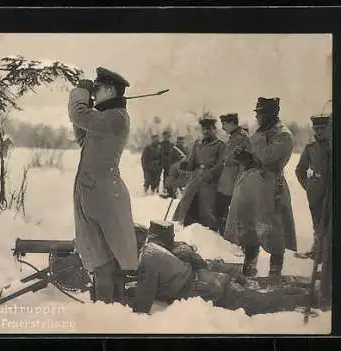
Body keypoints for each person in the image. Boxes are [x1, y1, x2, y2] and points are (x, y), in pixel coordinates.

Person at [131, 220, 313, 316]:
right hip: (210, 280)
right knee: (262, 294)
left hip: (209, 288)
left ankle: (312, 297)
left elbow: (143, 301)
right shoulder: (154, 251)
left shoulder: (149, 257)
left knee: (262, 302)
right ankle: (305, 289)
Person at [68, 67, 138, 304]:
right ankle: (107, 307)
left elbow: (79, 115)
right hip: (93, 193)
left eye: (96, 90)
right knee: (99, 256)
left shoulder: (116, 116)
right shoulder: (104, 118)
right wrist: (86, 99)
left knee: (107, 256)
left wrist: (80, 94)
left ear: (110, 90)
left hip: (105, 194)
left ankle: (111, 312)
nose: (95, 95)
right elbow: (82, 136)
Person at [224, 97, 297, 277]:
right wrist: (245, 158)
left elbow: (266, 157)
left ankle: (274, 273)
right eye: (257, 113)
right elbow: (256, 157)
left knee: (273, 231)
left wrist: (254, 149)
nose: (258, 117)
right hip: (251, 187)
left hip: (270, 188)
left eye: (262, 113)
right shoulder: (261, 132)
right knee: (250, 231)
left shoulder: (283, 134)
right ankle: (249, 269)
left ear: (273, 114)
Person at [294, 114, 332, 308]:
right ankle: (319, 248)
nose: (318, 131)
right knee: (319, 227)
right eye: (316, 128)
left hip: (332, 196)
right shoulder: (310, 149)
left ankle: (324, 258)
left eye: (322, 128)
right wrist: (309, 186)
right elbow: (299, 170)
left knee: (329, 234)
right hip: (317, 196)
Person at [171, 117, 226, 232]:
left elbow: (221, 164)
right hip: (195, 178)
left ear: (214, 129)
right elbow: (191, 162)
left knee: (207, 207)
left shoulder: (220, 145)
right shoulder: (197, 144)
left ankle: (211, 232)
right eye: (203, 129)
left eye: (209, 129)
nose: (205, 131)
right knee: (187, 201)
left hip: (210, 181)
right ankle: (185, 228)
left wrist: (210, 174)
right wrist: (185, 166)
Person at [215, 113, 251, 235]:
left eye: (224, 124)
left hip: (235, 177)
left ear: (231, 123)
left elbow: (245, 158)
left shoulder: (242, 137)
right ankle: (225, 235)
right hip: (227, 179)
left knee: (234, 210)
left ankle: (233, 237)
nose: (223, 127)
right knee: (222, 208)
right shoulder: (232, 136)